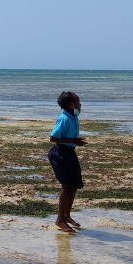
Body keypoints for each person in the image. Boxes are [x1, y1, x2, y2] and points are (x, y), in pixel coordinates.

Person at [48, 91, 86, 233]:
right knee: (66, 185)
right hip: (60, 153)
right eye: (78, 102)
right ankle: (60, 220)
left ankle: (67, 215)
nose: (80, 105)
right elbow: (53, 138)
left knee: (74, 185)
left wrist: (75, 142)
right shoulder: (64, 118)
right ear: (71, 105)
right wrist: (74, 141)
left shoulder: (73, 116)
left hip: (70, 152)